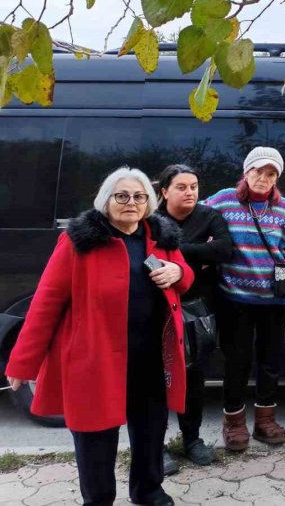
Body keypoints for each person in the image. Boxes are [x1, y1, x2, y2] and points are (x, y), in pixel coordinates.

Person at [5, 167, 194, 506]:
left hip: (150, 356)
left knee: (151, 430)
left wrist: (179, 271)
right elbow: (46, 302)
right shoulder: (79, 242)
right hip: (96, 358)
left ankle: (148, 491)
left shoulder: (161, 236)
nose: (131, 202)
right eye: (122, 196)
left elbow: (185, 277)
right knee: (95, 435)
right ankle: (98, 499)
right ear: (106, 201)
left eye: (139, 196)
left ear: (149, 202)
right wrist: (22, 363)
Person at [205, 147, 285, 451]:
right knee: (237, 361)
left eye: (271, 173)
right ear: (246, 172)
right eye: (258, 171)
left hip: (274, 301)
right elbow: (194, 218)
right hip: (235, 299)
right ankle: (234, 422)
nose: (263, 178)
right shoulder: (223, 200)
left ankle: (265, 420)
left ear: (277, 178)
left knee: (270, 362)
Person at [156, 164, 233, 468]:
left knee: (194, 378)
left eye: (194, 187)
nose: (190, 192)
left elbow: (224, 250)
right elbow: (148, 258)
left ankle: (192, 440)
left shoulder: (209, 216)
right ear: (164, 192)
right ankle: (155, 446)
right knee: (156, 380)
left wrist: (174, 253)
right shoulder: (151, 219)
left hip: (197, 312)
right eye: (181, 187)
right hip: (158, 310)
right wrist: (201, 253)